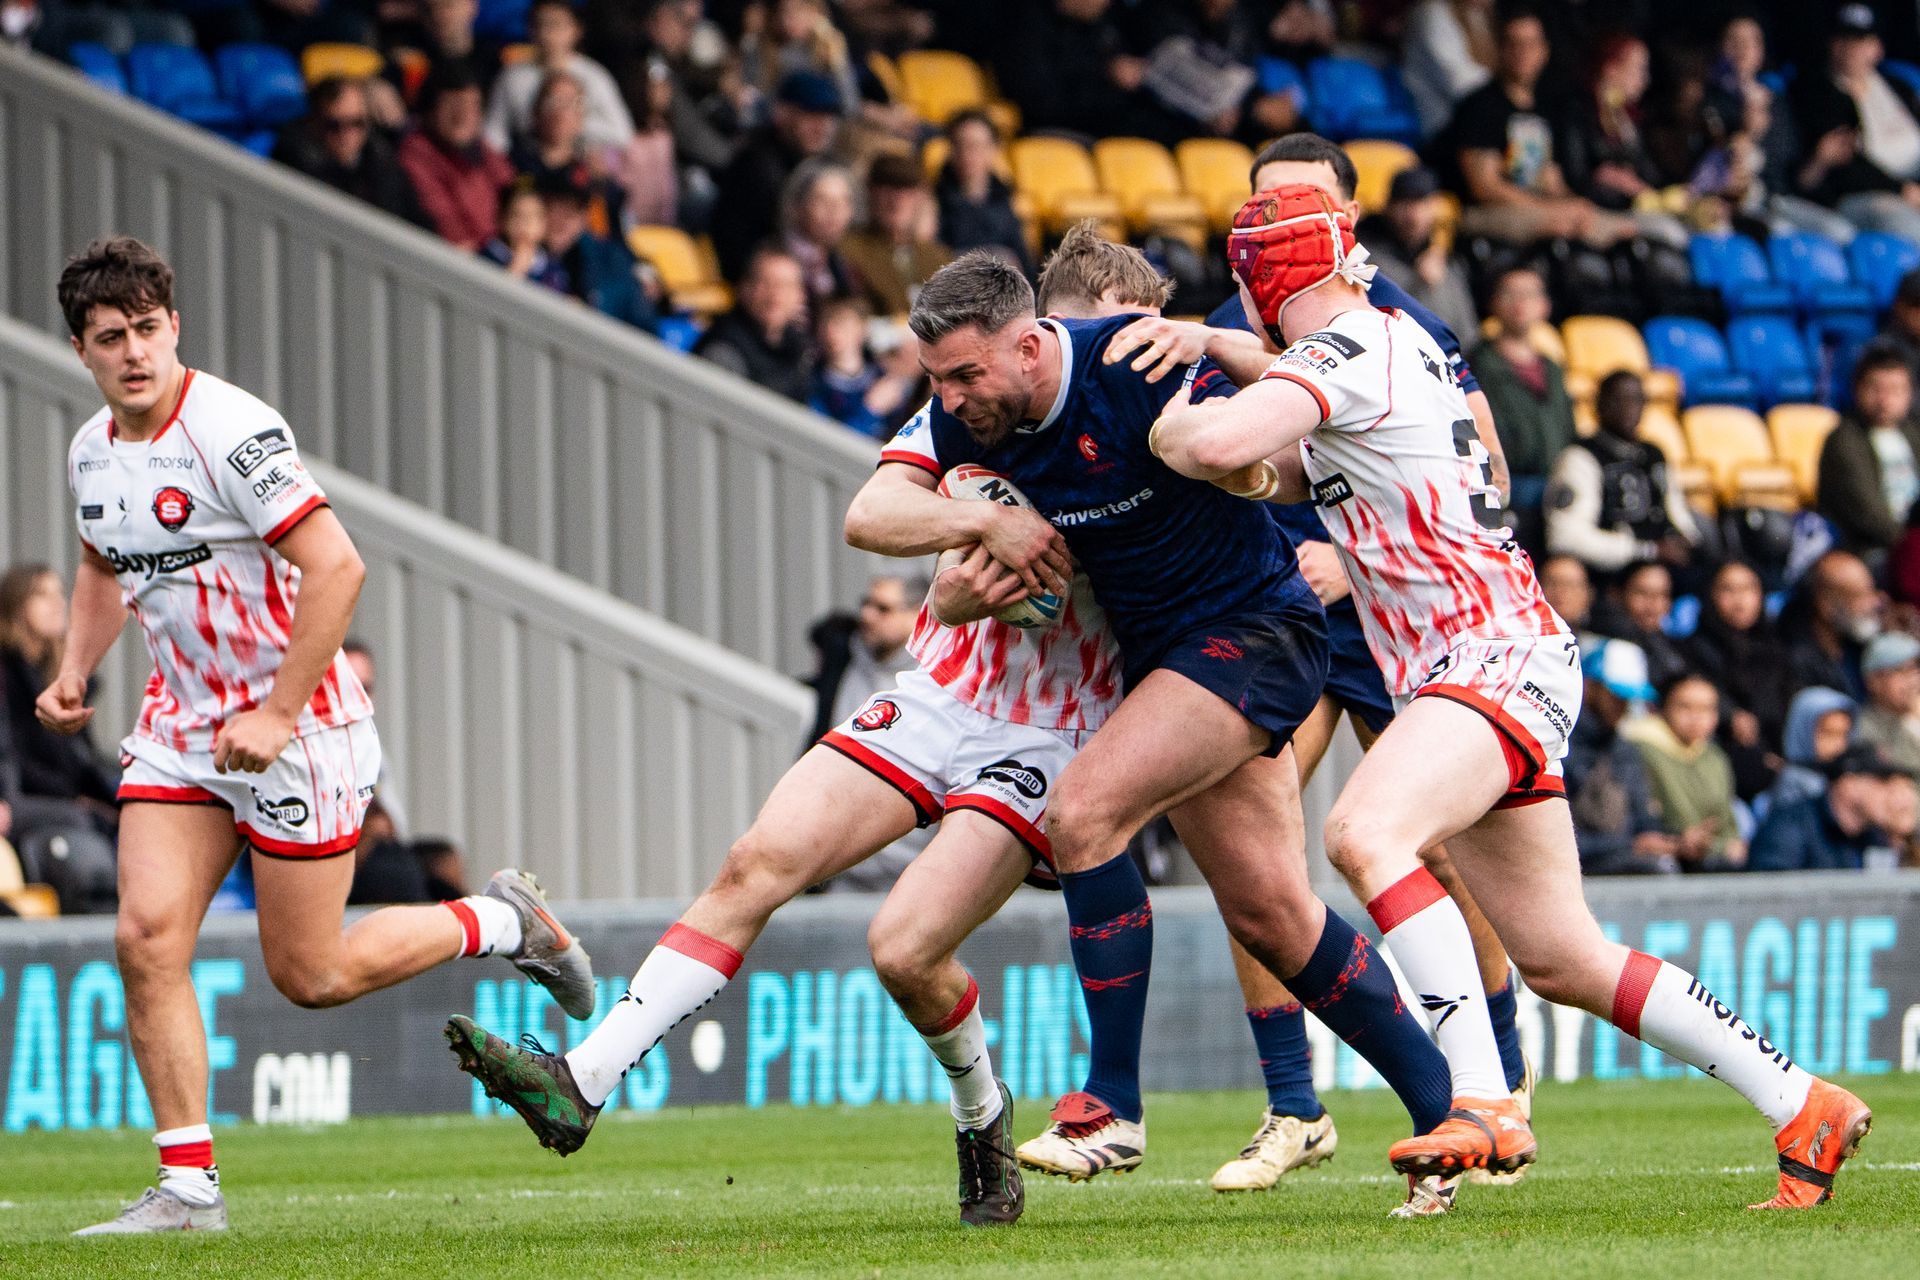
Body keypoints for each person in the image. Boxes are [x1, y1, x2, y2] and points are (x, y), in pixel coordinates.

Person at [1150, 183, 1872, 1209]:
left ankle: (1481, 1096)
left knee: (1363, 830)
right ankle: (1803, 1100)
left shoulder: (1348, 349)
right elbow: (1288, 459)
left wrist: (1168, 420)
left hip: (1486, 656)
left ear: (1257, 281)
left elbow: (1221, 448)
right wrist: (1224, 365)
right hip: (1496, 656)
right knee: (1565, 956)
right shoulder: (1381, 343)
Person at [847, 253, 1469, 1214]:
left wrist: (1228, 428)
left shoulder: (1133, 365)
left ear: (1027, 344)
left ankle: (1116, 1106)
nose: (951, 397)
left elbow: (1280, 428)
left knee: (1083, 813)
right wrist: (981, 524)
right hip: (1169, 665)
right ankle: (1451, 1116)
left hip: (1255, 632)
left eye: (966, 375)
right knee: (1273, 914)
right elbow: (870, 513)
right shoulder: (970, 414)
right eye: (937, 379)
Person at [45, 237, 595, 1234]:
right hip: (184, 727)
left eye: (147, 330)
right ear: (81, 348)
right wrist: (78, 665)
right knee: (144, 935)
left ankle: (503, 922)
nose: (133, 352)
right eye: (109, 337)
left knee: (313, 975)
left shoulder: (230, 428)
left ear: (175, 326)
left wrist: (279, 710)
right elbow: (98, 561)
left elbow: (338, 567)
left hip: (299, 727)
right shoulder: (91, 448)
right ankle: (188, 1190)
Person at [1089, 133, 1530, 1200]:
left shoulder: (1395, 324)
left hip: (1388, 618)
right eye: (1262, 207)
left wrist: (1349, 541)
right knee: (1260, 842)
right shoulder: (1223, 322)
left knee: (1449, 855)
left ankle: (1499, 1087)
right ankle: (1295, 1103)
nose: (1277, 223)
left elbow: (1489, 466)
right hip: (1279, 613)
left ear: (1347, 214)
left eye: (1301, 203)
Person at [1438, 9, 1636, 249]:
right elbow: (1486, 188)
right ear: (1500, 49)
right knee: (1562, 227)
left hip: (1540, 207)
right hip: (1487, 212)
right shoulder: (1480, 107)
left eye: (1531, 44)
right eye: (1515, 44)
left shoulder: (1544, 109)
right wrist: (1551, 209)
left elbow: (1550, 178)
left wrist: (1574, 204)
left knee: (1625, 230)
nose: (1523, 53)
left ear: (1544, 51)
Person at [1545, 371, 1698, 584]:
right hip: (1612, 576)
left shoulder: (1655, 454)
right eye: (1618, 399)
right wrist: (1647, 550)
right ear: (1599, 404)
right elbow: (1565, 538)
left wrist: (1686, 540)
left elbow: (1678, 513)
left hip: (1665, 569)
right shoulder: (1580, 456)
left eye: (1636, 399)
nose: (1628, 407)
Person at [1791, 5, 1920, 244]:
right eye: (1843, 39)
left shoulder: (1898, 86)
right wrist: (1902, 190)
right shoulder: (1818, 94)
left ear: (1877, 48)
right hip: (1868, 195)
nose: (1850, 48)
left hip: (1913, 179)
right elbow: (1845, 163)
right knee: (1909, 225)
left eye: (1860, 40)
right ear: (1832, 43)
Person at [711, 71, 843, 281]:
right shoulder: (756, 164)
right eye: (810, 115)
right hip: (759, 282)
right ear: (781, 113)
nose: (822, 127)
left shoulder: (821, 163)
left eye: (828, 118)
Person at [1469, 266, 1575, 511]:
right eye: (1510, 294)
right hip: (1507, 485)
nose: (1520, 303)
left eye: (1529, 294)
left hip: (1555, 479)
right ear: (1493, 303)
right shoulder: (1477, 364)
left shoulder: (1553, 368)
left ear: (1544, 305)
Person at [1686, 559, 1794, 800]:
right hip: (1722, 769)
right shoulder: (1694, 651)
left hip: (1777, 766)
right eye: (1728, 589)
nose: (1740, 601)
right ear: (1710, 595)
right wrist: (1730, 715)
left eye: (1748, 589)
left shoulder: (1777, 651)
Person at [1565, 638, 1673, 875]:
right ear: (1590, 686)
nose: (1623, 705)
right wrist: (1630, 845)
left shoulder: (1625, 750)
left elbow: (1644, 820)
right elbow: (1556, 838)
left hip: (1625, 861)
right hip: (1578, 871)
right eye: (1615, 695)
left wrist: (1673, 840)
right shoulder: (1561, 747)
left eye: (1628, 697)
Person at [1622, 672, 1749, 872]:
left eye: (1706, 709)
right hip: (1669, 854)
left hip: (1714, 854)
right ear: (1664, 708)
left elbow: (1726, 821)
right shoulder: (1640, 748)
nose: (1696, 717)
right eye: (1685, 707)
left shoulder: (1714, 756)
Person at [272, 77, 428, 227]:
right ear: (315, 123)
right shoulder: (297, 163)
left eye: (357, 123)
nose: (346, 134)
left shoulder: (381, 159)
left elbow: (417, 218)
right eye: (334, 125)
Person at [484, 0, 634, 155]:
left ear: (576, 30)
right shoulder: (512, 77)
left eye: (555, 24)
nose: (546, 32)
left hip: (576, 166)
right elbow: (494, 135)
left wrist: (568, 121)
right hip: (526, 165)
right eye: (539, 24)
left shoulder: (594, 76)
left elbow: (622, 134)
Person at [398, 63, 516, 252]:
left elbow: (518, 197)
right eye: (452, 104)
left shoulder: (483, 150)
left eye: (472, 105)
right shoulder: (416, 155)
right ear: (430, 110)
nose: (463, 115)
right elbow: (453, 233)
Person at [1354, 166, 1478, 344]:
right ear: (1388, 207)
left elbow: (1468, 336)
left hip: (1445, 362)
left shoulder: (1449, 261)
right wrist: (1422, 284)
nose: (1414, 216)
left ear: (1436, 208)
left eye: (1423, 204)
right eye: (1405, 205)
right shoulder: (1364, 257)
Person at [1818, 351, 1920, 563]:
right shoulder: (1844, 440)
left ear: (1910, 393)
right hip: (1869, 550)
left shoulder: (1914, 434)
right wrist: (1909, 545)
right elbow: (1866, 513)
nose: (1885, 400)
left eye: (1894, 390)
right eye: (1875, 389)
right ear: (1857, 389)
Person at [538, 169, 659, 332]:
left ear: (584, 218)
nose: (565, 221)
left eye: (576, 211)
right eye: (558, 208)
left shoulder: (612, 260)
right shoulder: (516, 252)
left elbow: (644, 329)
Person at [1749, 743, 1902, 871]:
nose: (1893, 794)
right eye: (1882, 783)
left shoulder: (1874, 836)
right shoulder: (1791, 826)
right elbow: (1770, 896)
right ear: (1849, 784)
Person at [840, 153, 954, 318]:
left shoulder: (938, 258)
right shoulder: (848, 251)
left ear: (920, 198)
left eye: (906, 190)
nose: (897, 200)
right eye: (887, 189)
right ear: (870, 193)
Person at [694, 244, 813, 402]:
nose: (775, 295)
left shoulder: (801, 351)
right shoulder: (723, 348)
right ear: (744, 288)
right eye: (765, 283)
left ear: (800, 296)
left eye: (785, 286)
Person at [934, 110, 1033, 276]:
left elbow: (1024, 261)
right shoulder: (934, 199)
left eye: (976, 146)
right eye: (960, 145)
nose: (967, 154)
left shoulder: (1004, 199)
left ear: (993, 150)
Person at [808, 295, 916, 439]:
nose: (831, 331)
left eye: (842, 323)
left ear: (862, 329)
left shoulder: (882, 378)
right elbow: (828, 440)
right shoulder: (815, 385)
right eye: (826, 322)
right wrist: (870, 410)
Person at [1779, 549, 1882, 700]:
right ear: (1826, 606)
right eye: (1859, 596)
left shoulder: (1859, 645)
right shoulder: (1796, 663)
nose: (1875, 602)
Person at [1761, 686, 1859, 820]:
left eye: (1843, 735)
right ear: (1803, 731)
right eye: (1828, 733)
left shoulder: (1841, 775)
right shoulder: (1793, 781)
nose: (1838, 745)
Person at [1402, 0, 1495, 139]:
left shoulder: (1476, 15)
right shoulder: (1432, 14)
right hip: (1439, 125)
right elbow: (1460, 83)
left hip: (1474, 117)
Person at [778, 157, 862, 306]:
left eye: (844, 201)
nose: (835, 211)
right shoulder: (778, 259)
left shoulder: (840, 260)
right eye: (822, 199)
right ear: (797, 205)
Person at [1593, 560, 1689, 689]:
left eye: (1662, 595)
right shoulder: (1599, 642)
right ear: (1616, 595)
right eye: (1642, 593)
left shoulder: (1672, 646)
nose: (1653, 605)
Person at [478, 182, 569, 293]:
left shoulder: (554, 271)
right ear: (503, 220)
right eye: (517, 215)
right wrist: (515, 271)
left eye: (532, 216)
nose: (524, 224)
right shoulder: (487, 255)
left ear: (544, 223)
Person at [1855, 631, 1920, 777]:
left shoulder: (1913, 713)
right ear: (1873, 681)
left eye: (1914, 668)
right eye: (1901, 670)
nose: (1912, 680)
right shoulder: (1862, 729)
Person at [1539, 553, 1595, 641]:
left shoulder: (1612, 651)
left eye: (1570, 584)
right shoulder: (1521, 646)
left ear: (1588, 594)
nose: (1560, 591)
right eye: (1553, 584)